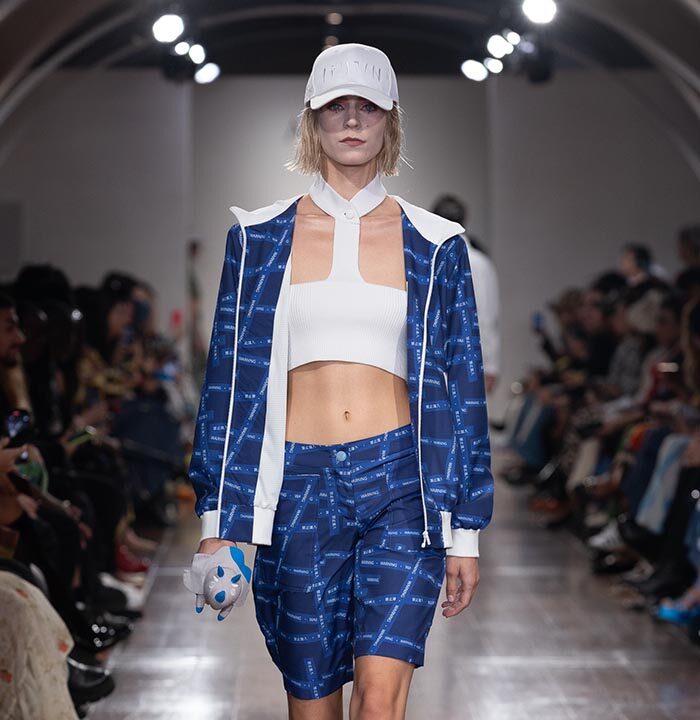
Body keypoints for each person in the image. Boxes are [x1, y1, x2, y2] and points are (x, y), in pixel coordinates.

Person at [187, 42, 494, 719]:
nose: (352, 121)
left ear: (391, 120)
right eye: (336, 108)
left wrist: (466, 532)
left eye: (368, 108)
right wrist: (220, 518)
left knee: (379, 702)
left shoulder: (437, 244)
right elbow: (229, 386)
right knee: (312, 703)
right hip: (296, 485)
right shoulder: (258, 240)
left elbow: (462, 390)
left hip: (401, 485)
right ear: (312, 120)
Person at [431, 194, 501, 394]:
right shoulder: (480, 262)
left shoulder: (428, 258)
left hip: (442, 354)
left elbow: (485, 315)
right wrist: (491, 364)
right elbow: (487, 315)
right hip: (468, 354)